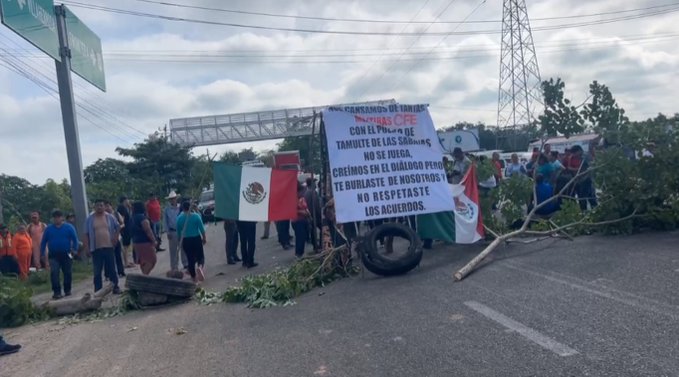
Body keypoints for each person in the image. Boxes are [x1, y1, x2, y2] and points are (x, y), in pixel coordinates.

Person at [84, 199, 121, 294]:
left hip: (109, 247)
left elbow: (118, 227)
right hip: (96, 249)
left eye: (101, 205)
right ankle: (98, 291)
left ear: (104, 207)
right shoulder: (90, 219)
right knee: (97, 272)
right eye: (97, 206)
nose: (99, 207)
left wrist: (115, 238)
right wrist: (87, 247)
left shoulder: (110, 217)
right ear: (94, 207)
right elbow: (86, 234)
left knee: (112, 269)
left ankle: (115, 287)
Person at [40, 210, 79, 299]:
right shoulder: (49, 229)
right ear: (53, 219)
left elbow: (75, 239)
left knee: (67, 272)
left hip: (67, 253)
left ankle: (67, 289)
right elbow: (43, 242)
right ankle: (57, 291)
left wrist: (75, 249)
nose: (57, 219)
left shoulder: (69, 227)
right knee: (54, 272)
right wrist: (42, 253)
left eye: (58, 217)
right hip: (53, 255)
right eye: (55, 217)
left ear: (62, 218)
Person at [177, 201, 207, 281]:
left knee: (190, 258)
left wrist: (179, 241)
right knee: (200, 256)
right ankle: (200, 267)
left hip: (186, 240)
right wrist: (204, 238)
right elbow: (202, 229)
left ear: (183, 209)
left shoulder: (179, 218)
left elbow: (178, 232)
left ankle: (193, 277)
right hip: (196, 238)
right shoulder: (196, 216)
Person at [130, 201, 157, 275]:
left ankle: (144, 274)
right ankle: (145, 275)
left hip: (136, 242)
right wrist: (154, 240)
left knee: (143, 261)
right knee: (152, 260)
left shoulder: (132, 218)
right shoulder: (142, 217)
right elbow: (148, 230)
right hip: (145, 242)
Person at [164, 191, 187, 271]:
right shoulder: (167, 210)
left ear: (176, 199)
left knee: (183, 248)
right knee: (173, 250)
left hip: (181, 230)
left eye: (173, 199)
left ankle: (185, 263)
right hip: (172, 231)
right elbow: (165, 221)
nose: (172, 200)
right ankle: (174, 266)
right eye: (171, 199)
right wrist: (167, 232)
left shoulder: (181, 207)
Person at [105, 201, 126, 278]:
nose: (107, 208)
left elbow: (123, 223)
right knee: (108, 257)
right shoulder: (103, 216)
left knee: (118, 255)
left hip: (117, 237)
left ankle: (121, 271)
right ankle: (108, 274)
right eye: (105, 206)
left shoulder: (116, 214)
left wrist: (119, 227)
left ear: (111, 206)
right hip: (107, 239)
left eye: (108, 206)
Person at [292, 183, 310, 258]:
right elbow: (292, 209)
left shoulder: (301, 198)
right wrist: (302, 212)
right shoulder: (293, 198)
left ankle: (300, 252)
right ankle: (299, 253)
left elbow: (305, 206)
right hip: (297, 220)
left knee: (302, 237)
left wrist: (307, 211)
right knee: (300, 237)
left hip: (304, 218)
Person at [304, 177, 322, 251]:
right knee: (322, 228)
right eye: (314, 182)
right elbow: (316, 205)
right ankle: (319, 245)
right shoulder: (312, 192)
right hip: (315, 215)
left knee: (313, 231)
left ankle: (316, 245)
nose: (315, 184)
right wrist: (320, 213)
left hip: (310, 215)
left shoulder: (307, 192)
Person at [117, 196, 134, 268]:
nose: (128, 201)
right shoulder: (122, 208)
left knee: (127, 245)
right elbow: (122, 219)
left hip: (127, 228)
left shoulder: (125, 207)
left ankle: (127, 261)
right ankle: (126, 262)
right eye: (127, 200)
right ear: (124, 200)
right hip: (125, 229)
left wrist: (130, 207)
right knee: (125, 246)